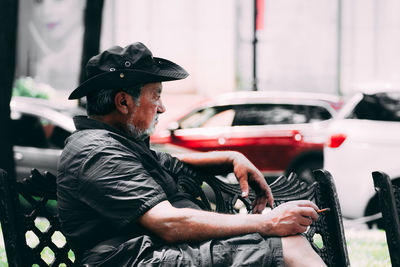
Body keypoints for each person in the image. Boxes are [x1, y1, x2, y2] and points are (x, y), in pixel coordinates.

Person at [57, 42, 327, 266]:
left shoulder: (119, 144)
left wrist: (231, 158)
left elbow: (171, 163)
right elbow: (168, 223)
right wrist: (266, 221)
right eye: (156, 96)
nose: (162, 108)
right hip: (140, 260)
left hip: (160, 255)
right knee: (289, 249)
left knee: (290, 245)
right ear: (124, 102)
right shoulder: (97, 151)